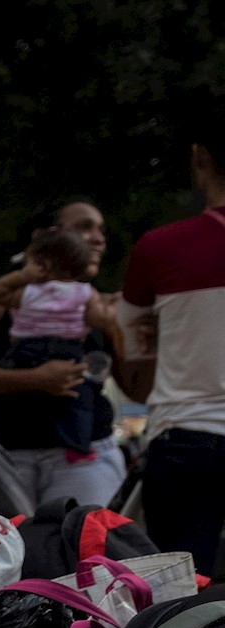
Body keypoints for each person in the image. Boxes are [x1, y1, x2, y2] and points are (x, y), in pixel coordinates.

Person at [0, 197, 137, 507]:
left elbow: (136, 388)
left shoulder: (98, 305)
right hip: (6, 455)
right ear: (43, 238)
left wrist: (127, 328)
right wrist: (35, 378)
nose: (99, 238)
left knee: (87, 551)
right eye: (84, 228)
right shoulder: (0, 300)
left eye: (101, 229)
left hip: (85, 456)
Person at [121, 119, 225, 573]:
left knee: (181, 601)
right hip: (185, 445)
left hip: (185, 443)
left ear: (199, 159)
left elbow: (134, 380)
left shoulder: (157, 249)